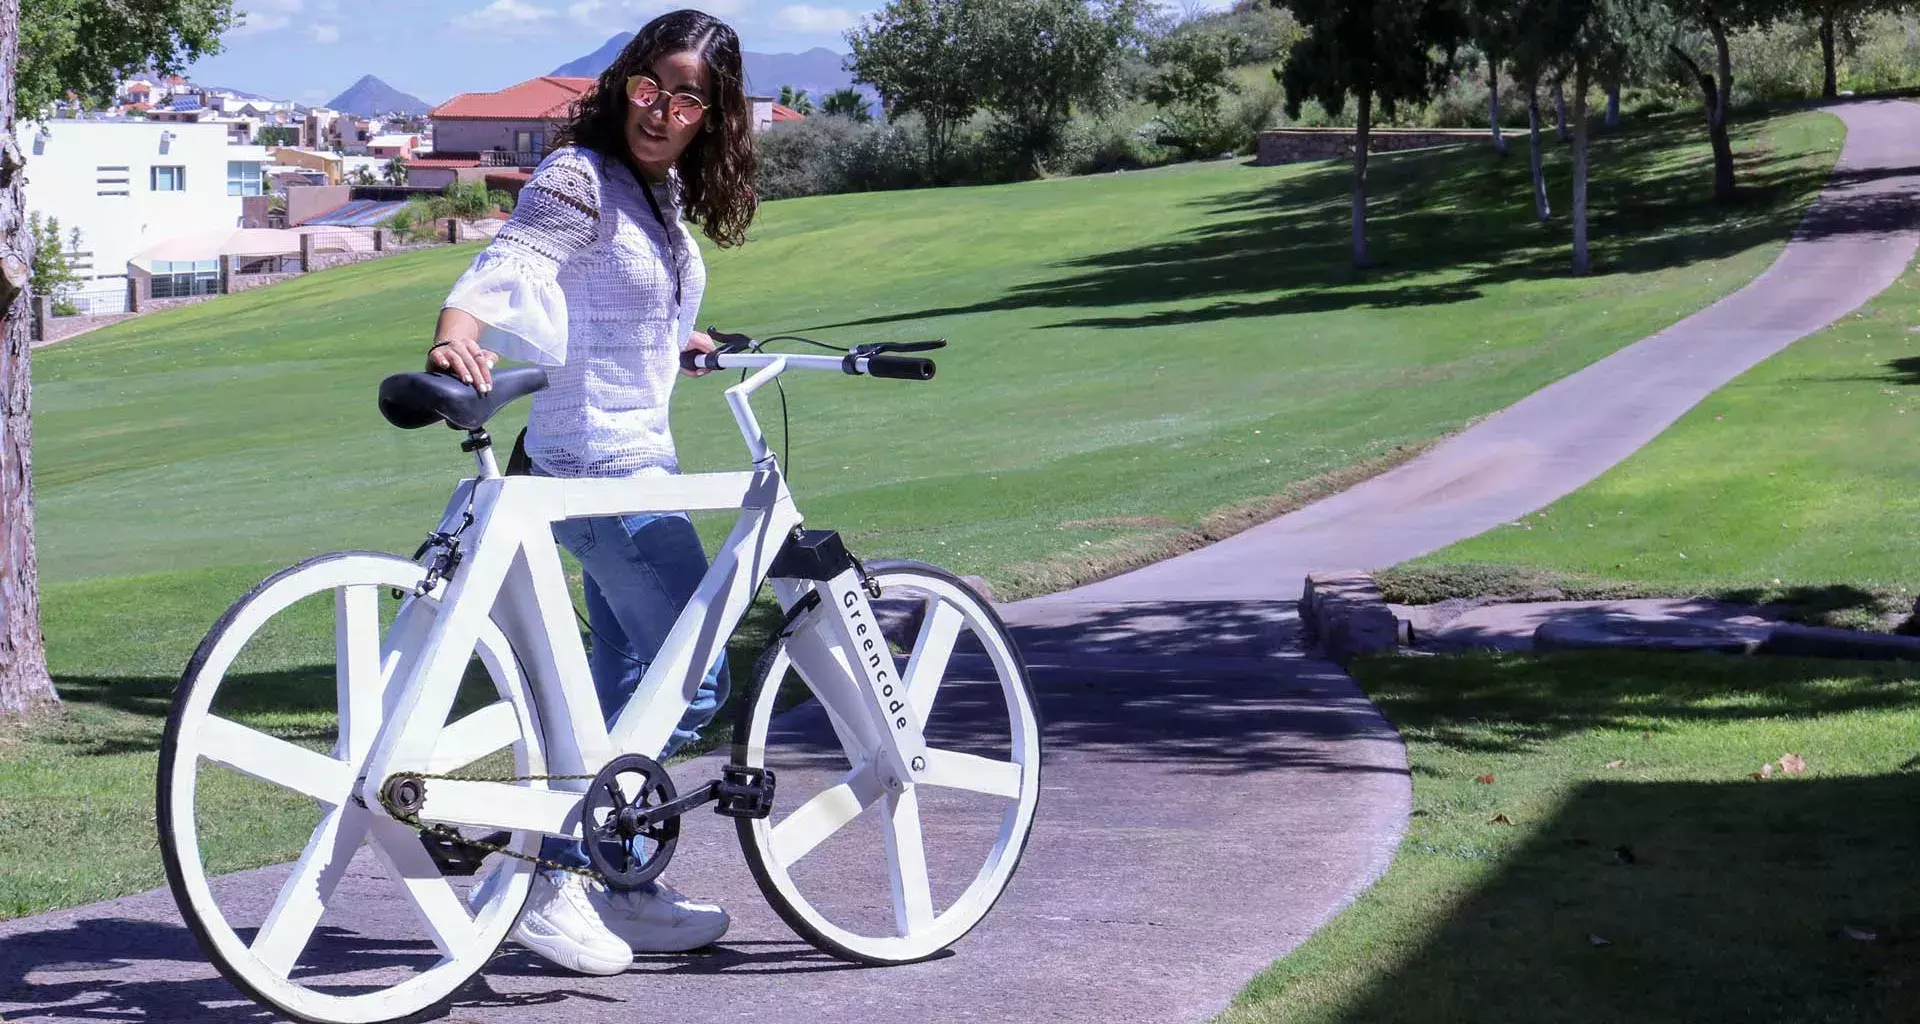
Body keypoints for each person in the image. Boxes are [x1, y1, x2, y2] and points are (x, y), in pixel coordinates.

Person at [425, 9, 759, 975]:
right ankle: (546, 877)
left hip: (631, 461)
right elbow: (515, 262)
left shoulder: (658, 194)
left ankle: (619, 883)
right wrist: (460, 328)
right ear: (626, 83)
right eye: (651, 87)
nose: (662, 111)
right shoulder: (578, 177)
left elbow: (611, 311)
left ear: (713, 112)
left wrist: (679, 344)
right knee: (690, 681)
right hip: (592, 472)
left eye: (687, 98)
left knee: (613, 696)